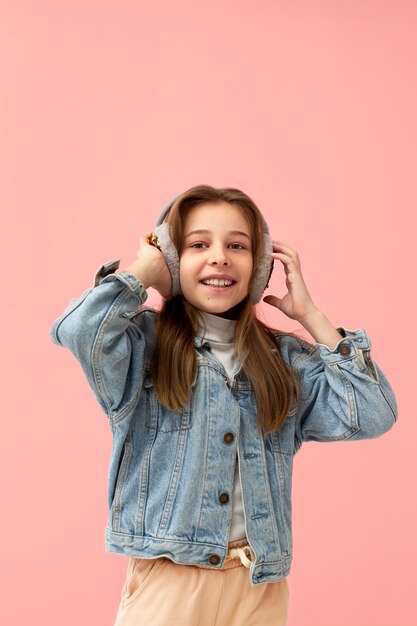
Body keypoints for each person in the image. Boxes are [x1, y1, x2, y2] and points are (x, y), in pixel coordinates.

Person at [49, 184, 398, 626]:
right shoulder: (142, 346)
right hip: (172, 581)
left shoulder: (284, 361)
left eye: (238, 245)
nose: (219, 257)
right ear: (173, 260)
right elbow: (79, 329)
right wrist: (148, 268)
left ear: (260, 266)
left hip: (260, 585)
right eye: (197, 245)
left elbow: (372, 413)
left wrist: (310, 316)